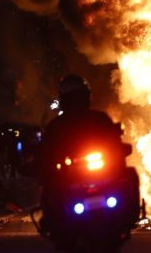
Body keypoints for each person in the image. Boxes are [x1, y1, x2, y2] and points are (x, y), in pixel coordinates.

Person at [36, 75, 124, 235]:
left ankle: (125, 216)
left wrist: (120, 152)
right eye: (73, 97)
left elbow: (116, 144)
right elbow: (45, 153)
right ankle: (52, 223)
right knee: (48, 187)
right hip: (68, 178)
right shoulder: (57, 126)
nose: (76, 101)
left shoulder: (99, 120)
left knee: (127, 178)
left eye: (79, 96)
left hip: (101, 173)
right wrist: (41, 165)